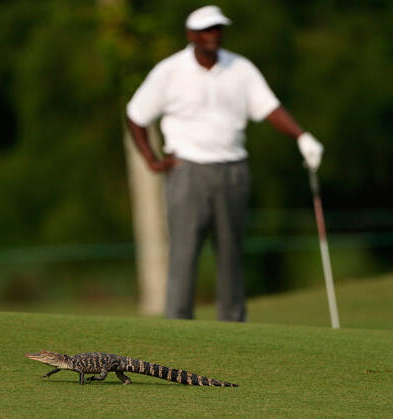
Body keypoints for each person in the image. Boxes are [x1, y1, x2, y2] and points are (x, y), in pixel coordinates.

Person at [125, 6, 323, 321]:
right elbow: (135, 115)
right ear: (191, 35)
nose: (212, 35)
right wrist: (151, 159)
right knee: (184, 256)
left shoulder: (240, 68)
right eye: (205, 30)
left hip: (233, 171)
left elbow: (269, 107)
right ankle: (177, 328)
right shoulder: (170, 71)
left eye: (217, 29)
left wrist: (301, 136)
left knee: (231, 256)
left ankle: (232, 330)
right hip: (187, 171)